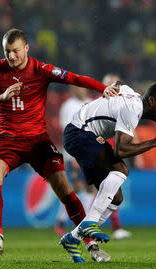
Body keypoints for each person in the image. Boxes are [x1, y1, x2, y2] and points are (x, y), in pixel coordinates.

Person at [0, 28, 118, 262]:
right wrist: (0, 98)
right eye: (7, 52)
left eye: (16, 51)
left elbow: (74, 78)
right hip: (6, 139)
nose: (12, 57)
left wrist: (103, 88)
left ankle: (91, 244)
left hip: (37, 141)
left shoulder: (41, 70)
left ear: (27, 48)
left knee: (64, 188)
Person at [59, 82, 156, 263]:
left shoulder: (133, 96)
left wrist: (111, 86)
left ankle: (72, 238)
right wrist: (154, 142)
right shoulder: (133, 109)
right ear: (152, 101)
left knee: (116, 198)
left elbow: (121, 85)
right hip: (79, 132)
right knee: (121, 169)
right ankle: (89, 224)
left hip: (85, 134)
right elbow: (120, 151)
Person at [55, 81, 132, 241]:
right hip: (75, 152)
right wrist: (76, 156)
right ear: (72, 88)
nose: (80, 89)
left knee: (90, 189)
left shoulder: (91, 101)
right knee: (78, 189)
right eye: (77, 86)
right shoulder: (68, 106)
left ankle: (80, 223)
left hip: (89, 150)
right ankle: (65, 222)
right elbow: (68, 130)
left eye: (82, 86)